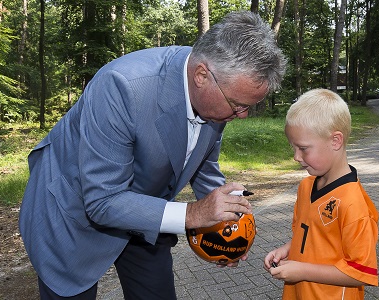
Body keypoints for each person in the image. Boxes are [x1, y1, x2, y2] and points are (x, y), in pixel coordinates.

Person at [19, 11, 287, 299]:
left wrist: (225, 229)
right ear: (201, 76)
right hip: (73, 216)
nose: (242, 115)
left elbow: (203, 166)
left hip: (145, 214)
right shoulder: (122, 86)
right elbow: (102, 200)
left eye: (247, 106)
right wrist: (193, 214)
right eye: (237, 105)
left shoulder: (218, 90)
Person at [264, 89, 379, 299]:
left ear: (335, 141)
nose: (296, 157)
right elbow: (308, 237)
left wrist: (301, 270)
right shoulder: (306, 187)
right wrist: (287, 249)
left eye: (303, 148)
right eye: (293, 148)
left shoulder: (353, 204)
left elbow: (361, 273)